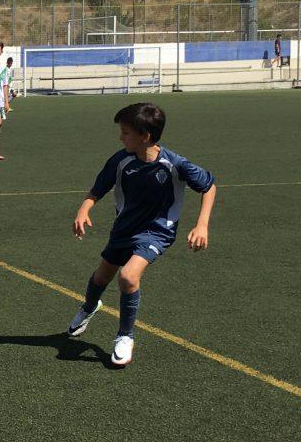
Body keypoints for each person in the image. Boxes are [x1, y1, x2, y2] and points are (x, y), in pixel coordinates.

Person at [68, 102, 217, 367]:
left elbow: (209, 186)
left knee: (128, 276)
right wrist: (83, 210)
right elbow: (97, 189)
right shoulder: (120, 160)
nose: (120, 137)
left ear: (145, 136)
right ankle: (90, 307)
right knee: (102, 276)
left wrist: (202, 224)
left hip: (157, 232)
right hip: (124, 229)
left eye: (125, 132)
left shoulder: (174, 163)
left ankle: (125, 336)